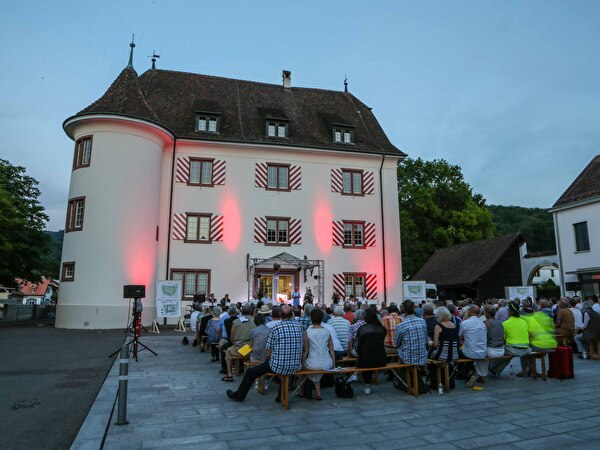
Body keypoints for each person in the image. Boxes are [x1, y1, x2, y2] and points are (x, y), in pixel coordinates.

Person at [226, 305, 304, 403]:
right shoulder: (300, 327)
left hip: (278, 364)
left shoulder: (275, 328)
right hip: (296, 365)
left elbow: (268, 351)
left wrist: (267, 359)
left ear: (280, 314)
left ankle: (239, 395)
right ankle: (280, 396)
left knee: (251, 372)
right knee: (281, 369)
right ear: (292, 314)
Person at [489, 302, 531, 376]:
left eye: (508, 310)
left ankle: (492, 368)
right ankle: (524, 370)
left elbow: (503, 339)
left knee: (499, 350)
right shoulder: (524, 322)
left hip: (513, 350)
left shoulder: (505, 323)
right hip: (526, 349)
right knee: (511, 351)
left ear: (511, 312)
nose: (507, 312)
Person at [303, 308, 335, 399]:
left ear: (311, 319)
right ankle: (318, 393)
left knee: (304, 369)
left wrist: (301, 363)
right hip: (327, 363)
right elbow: (331, 349)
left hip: (313, 363)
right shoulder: (327, 331)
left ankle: (300, 390)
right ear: (322, 319)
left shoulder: (307, 332)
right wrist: (333, 364)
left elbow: (305, 350)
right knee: (316, 366)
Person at [356, 308, 387, 395]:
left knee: (365, 356)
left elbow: (359, 345)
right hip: (381, 359)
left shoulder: (362, 329)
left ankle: (367, 385)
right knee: (369, 354)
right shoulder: (382, 329)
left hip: (365, 361)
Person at [223, 304, 256, 381]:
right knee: (244, 352)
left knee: (228, 351)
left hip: (240, 349)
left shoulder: (236, 322)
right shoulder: (255, 321)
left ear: (241, 311)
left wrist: (235, 344)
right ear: (251, 311)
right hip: (252, 349)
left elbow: (232, 338)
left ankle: (230, 374)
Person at [520, 309, 557, 376]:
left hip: (540, 345)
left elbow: (530, 334)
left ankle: (525, 371)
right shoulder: (544, 316)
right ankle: (532, 370)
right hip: (551, 343)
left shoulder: (527, 319)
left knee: (523, 349)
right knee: (528, 349)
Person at [459, 305, 488, 387]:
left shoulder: (465, 323)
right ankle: (470, 373)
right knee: (469, 351)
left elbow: (460, 336)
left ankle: (469, 373)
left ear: (470, 312)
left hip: (470, 352)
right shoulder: (482, 323)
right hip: (483, 352)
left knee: (459, 353)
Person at [395, 300, 428, 367]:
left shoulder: (401, 325)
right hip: (423, 358)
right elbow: (425, 338)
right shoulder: (422, 321)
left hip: (408, 360)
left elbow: (397, 343)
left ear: (403, 310)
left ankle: (399, 375)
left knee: (398, 348)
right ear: (414, 309)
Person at [480, 305, 505, 383]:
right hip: (501, 350)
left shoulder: (485, 322)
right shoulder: (501, 323)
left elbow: (482, 338)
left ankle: (481, 376)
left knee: (478, 353)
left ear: (486, 313)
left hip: (491, 351)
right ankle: (492, 369)